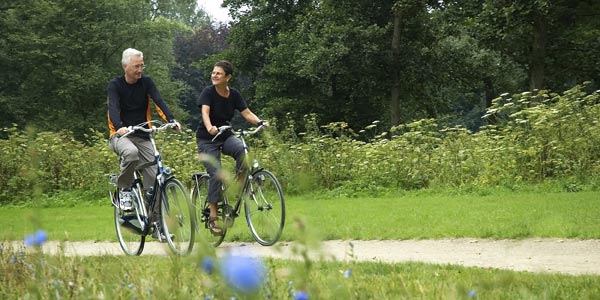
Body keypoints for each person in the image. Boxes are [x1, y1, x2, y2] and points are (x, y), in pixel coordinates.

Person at [107, 48, 180, 239]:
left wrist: (170, 120)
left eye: (142, 65)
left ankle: (156, 225)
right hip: (121, 136)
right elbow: (113, 108)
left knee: (155, 179)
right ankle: (124, 189)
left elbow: (159, 101)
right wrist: (119, 127)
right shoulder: (115, 85)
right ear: (125, 67)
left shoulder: (146, 83)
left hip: (144, 135)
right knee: (130, 153)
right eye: (136, 66)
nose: (140, 69)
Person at [196, 60, 267, 235]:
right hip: (207, 139)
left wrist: (260, 122)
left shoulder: (234, 94)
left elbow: (246, 112)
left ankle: (238, 188)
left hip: (226, 135)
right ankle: (213, 217)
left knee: (243, 152)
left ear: (228, 77)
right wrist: (210, 127)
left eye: (218, 73)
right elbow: (205, 112)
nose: (214, 75)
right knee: (217, 174)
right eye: (213, 72)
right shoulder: (208, 93)